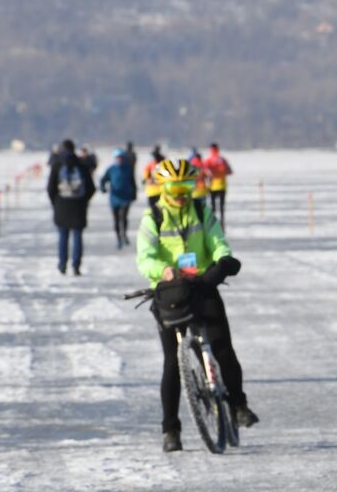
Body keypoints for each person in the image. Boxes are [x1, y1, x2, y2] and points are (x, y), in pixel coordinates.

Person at [136, 159, 257, 452]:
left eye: (187, 186)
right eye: (175, 187)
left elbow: (218, 243)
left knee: (223, 348)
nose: (181, 193)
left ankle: (238, 406)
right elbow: (145, 257)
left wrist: (222, 262)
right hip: (170, 292)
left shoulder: (202, 211)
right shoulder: (153, 218)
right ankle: (170, 430)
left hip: (202, 287)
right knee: (172, 364)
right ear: (164, 188)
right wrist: (162, 270)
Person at [46, 139, 96, 276]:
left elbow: (51, 188)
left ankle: (62, 265)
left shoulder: (57, 165)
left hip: (61, 205)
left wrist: (55, 202)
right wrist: (84, 201)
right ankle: (76, 266)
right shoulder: (82, 165)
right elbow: (91, 188)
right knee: (78, 236)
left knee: (63, 236)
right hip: (78, 206)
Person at [98, 148, 138, 249]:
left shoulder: (128, 168)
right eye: (117, 158)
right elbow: (103, 179)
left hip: (126, 197)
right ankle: (118, 239)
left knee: (123, 217)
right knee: (116, 219)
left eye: (121, 158)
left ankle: (124, 234)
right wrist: (103, 188)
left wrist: (134, 194)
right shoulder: (111, 169)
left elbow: (133, 182)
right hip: (114, 198)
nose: (119, 159)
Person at [201, 143, 233, 229]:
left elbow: (203, 169)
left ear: (211, 149)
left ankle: (214, 221)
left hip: (213, 186)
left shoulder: (209, 160)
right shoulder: (222, 160)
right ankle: (222, 220)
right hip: (222, 185)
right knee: (222, 205)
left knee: (213, 205)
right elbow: (229, 171)